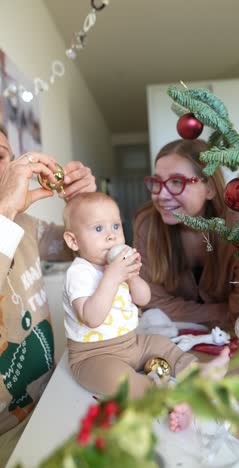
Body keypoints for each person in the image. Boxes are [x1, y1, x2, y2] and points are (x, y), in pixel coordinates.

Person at [62, 192, 230, 412]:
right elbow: (92, 318)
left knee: (161, 343)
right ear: (73, 240)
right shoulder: (79, 273)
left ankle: (198, 373)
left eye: (116, 226)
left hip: (131, 344)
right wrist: (112, 277)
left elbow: (144, 299)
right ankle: (167, 398)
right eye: (98, 229)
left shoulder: (119, 268)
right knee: (121, 380)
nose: (111, 236)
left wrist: (132, 277)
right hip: (93, 356)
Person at [0, 124, 96, 466]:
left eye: (1, 157)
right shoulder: (10, 219)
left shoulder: (25, 223)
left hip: (53, 397)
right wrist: (4, 214)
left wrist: (83, 205)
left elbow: (88, 249)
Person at [133, 139, 239, 329]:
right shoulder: (147, 224)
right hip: (177, 342)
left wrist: (180, 312)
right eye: (157, 182)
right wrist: (223, 311)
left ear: (209, 187)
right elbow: (150, 301)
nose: (161, 195)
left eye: (177, 182)